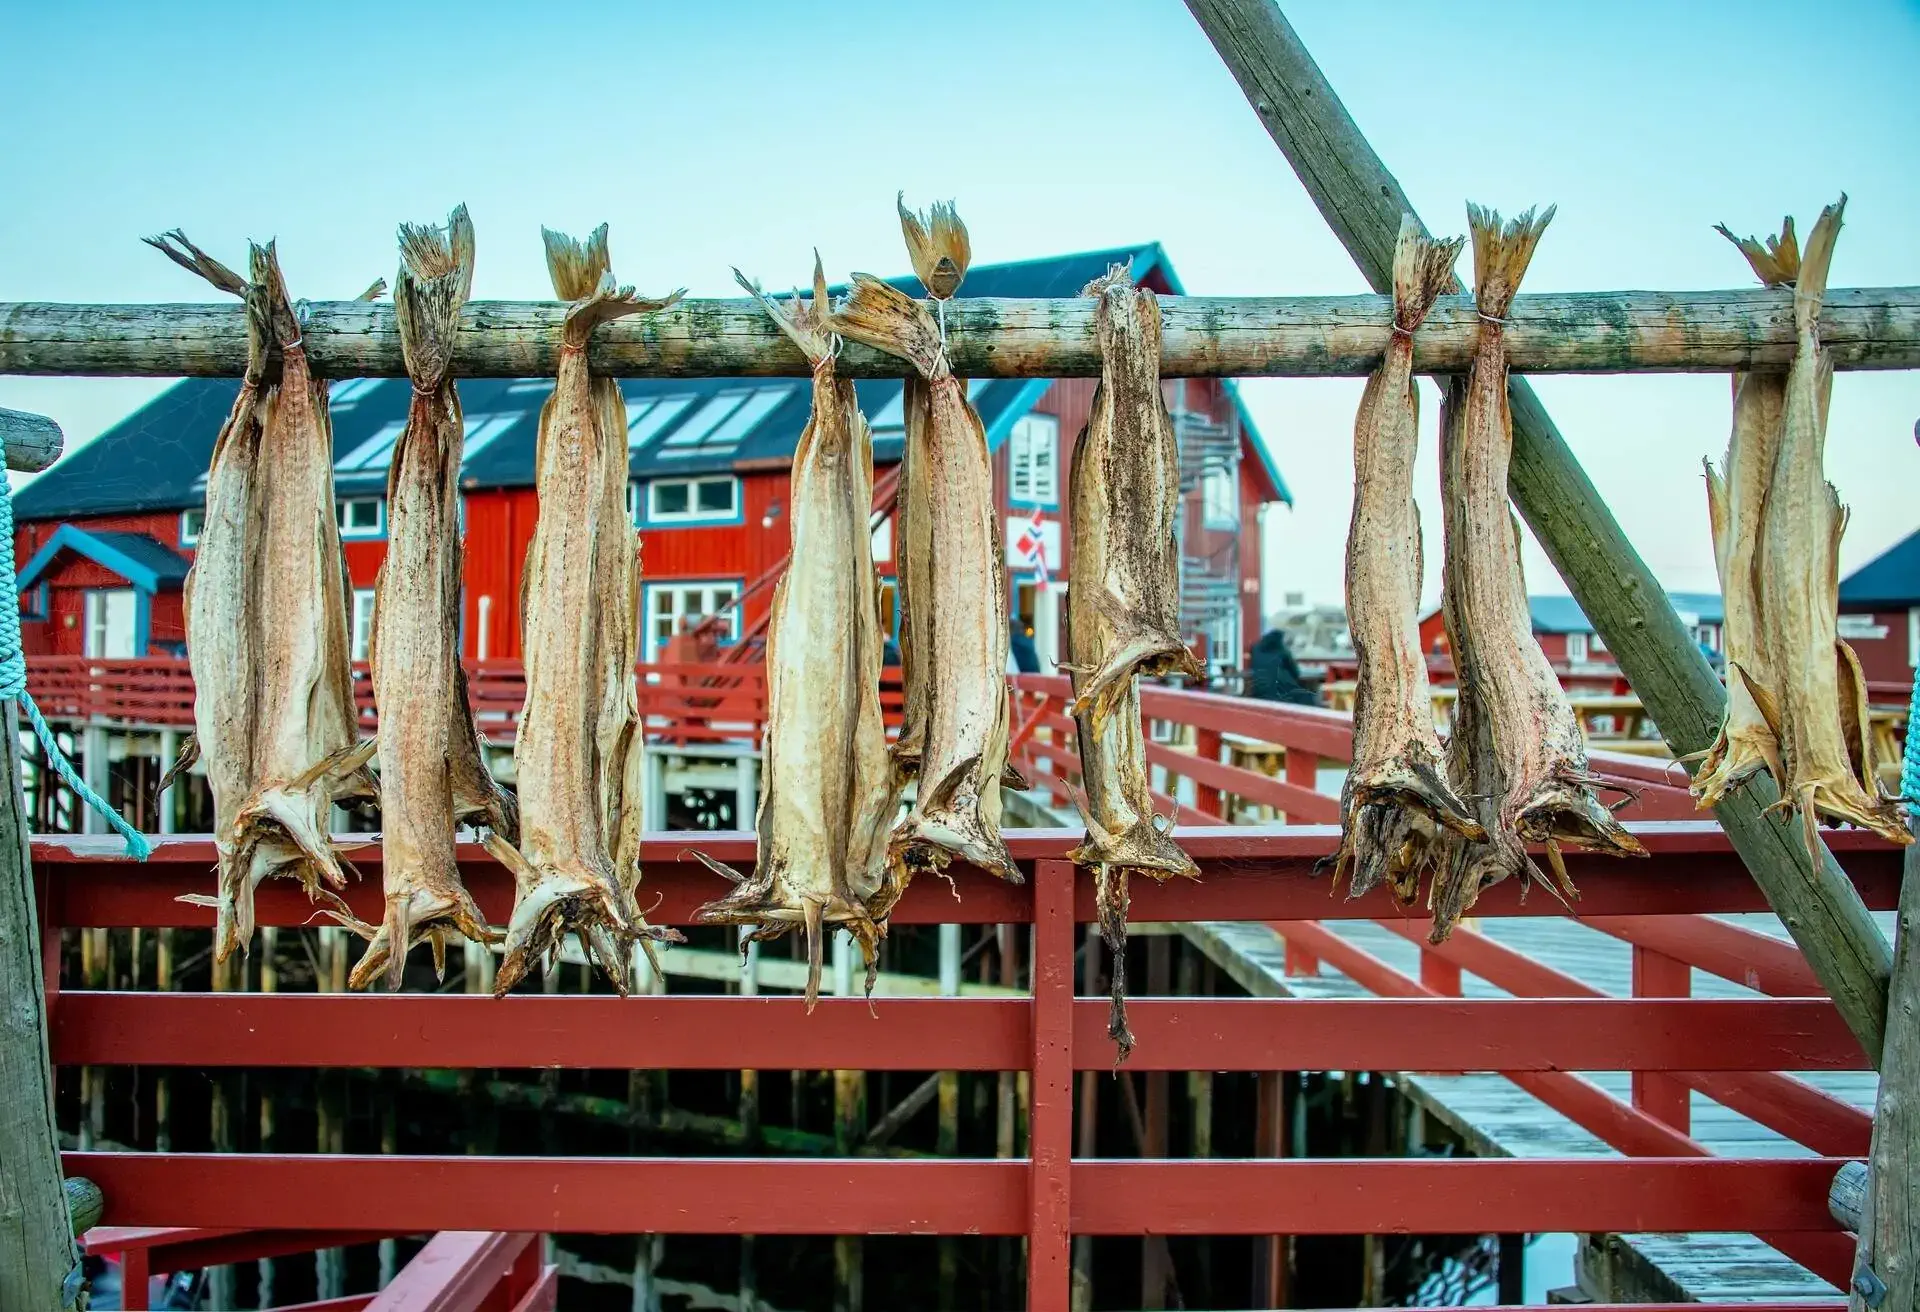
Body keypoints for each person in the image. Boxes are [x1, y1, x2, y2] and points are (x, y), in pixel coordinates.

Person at [1246, 628, 1315, 705]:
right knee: (1308, 697)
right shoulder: (1281, 651)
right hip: (1279, 690)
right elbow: (1295, 672)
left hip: (1259, 689)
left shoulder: (1255, 649)